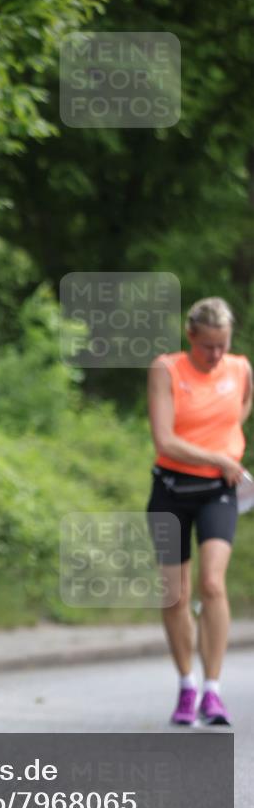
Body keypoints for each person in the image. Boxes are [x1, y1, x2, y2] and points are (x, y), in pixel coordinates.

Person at [147, 297, 252, 726]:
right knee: (176, 594)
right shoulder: (166, 369)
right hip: (171, 490)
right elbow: (165, 440)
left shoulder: (241, 369)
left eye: (223, 345)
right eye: (208, 345)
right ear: (191, 337)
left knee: (211, 582)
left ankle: (213, 690)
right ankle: (186, 685)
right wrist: (219, 457)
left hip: (218, 492)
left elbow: (239, 413)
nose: (216, 354)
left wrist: (227, 449)